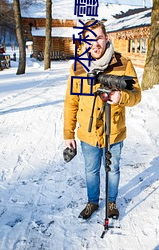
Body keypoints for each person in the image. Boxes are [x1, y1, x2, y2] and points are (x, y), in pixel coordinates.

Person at [63, 20, 141, 220]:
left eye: (98, 37)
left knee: (113, 169)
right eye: (90, 38)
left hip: (114, 130)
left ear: (106, 38)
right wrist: (68, 134)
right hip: (88, 133)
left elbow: (136, 95)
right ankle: (92, 202)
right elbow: (71, 102)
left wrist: (121, 97)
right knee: (91, 170)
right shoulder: (79, 67)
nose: (95, 43)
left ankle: (112, 202)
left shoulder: (123, 64)